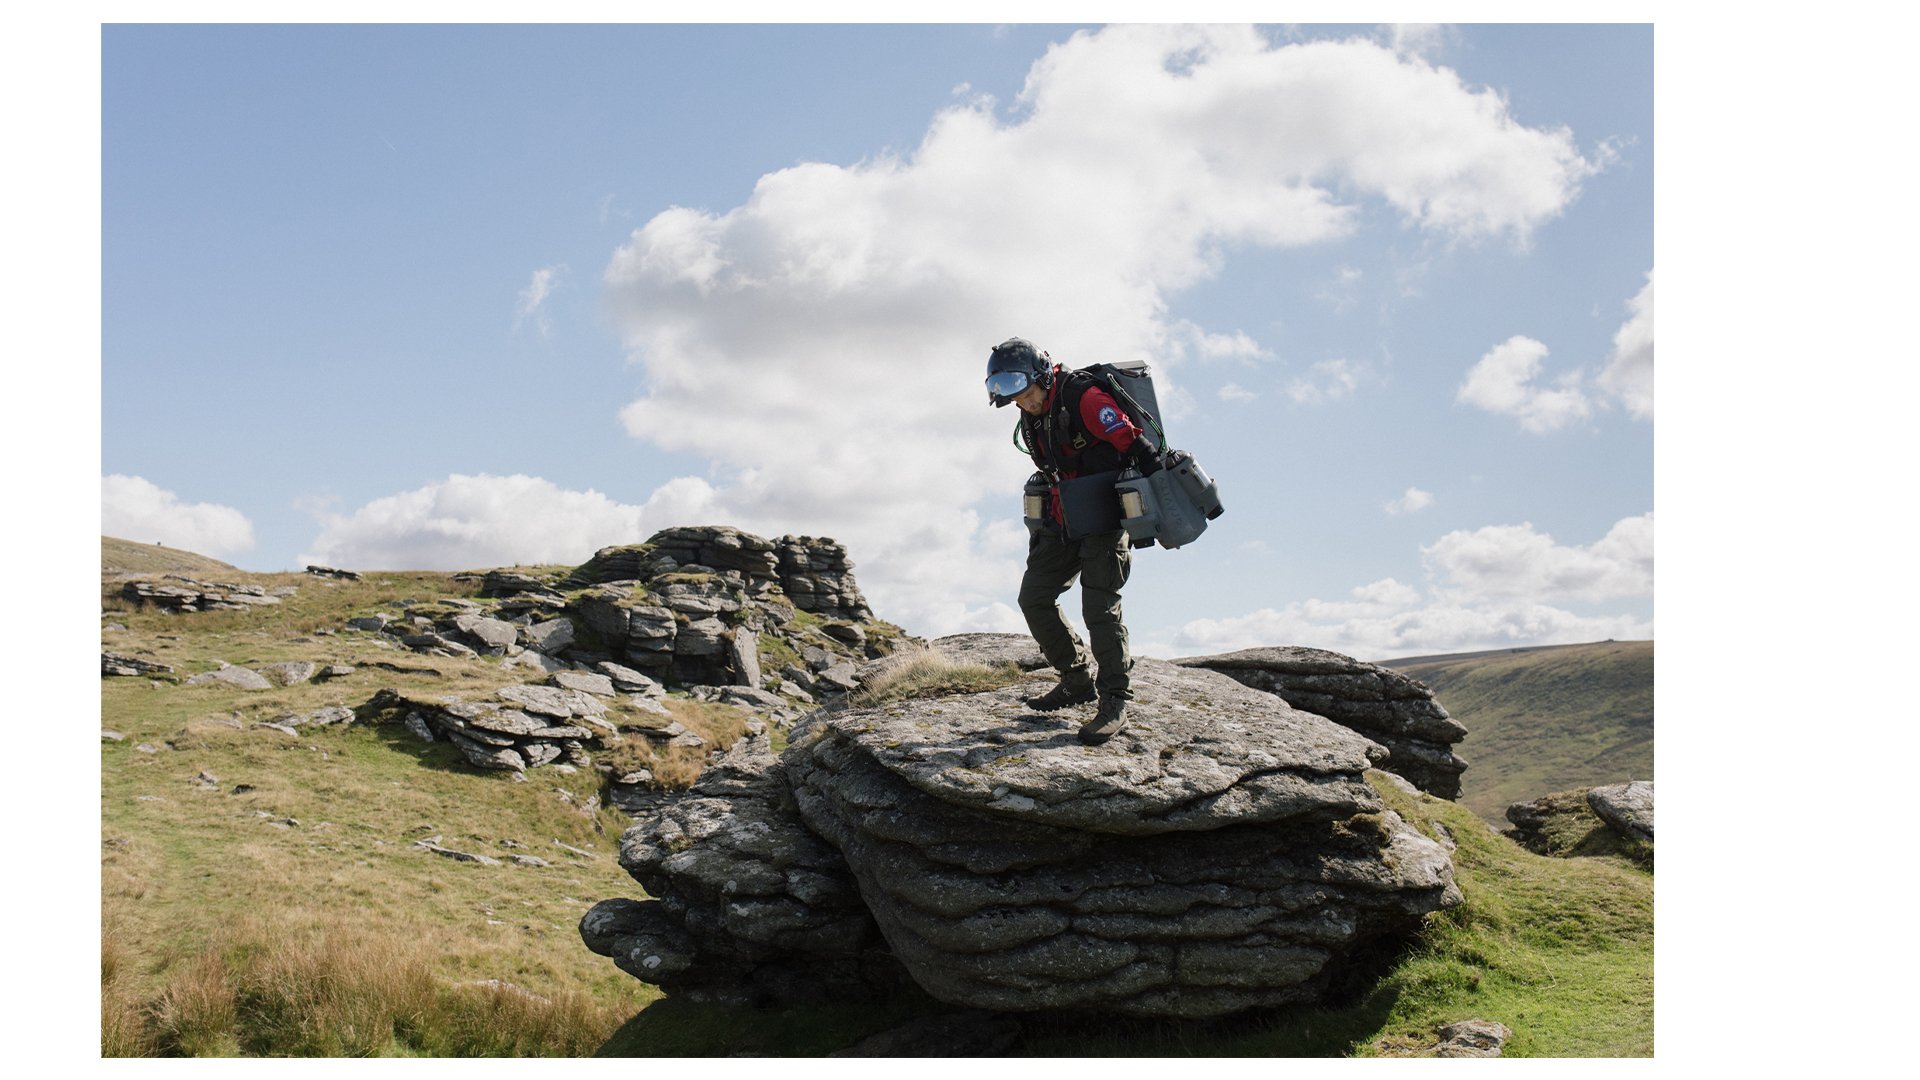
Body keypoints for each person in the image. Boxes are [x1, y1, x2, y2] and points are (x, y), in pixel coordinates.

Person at [985, 337, 1160, 745]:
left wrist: (1157, 505)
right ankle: (1076, 680)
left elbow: (1136, 445)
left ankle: (1115, 700)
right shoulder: (1031, 413)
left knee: (1099, 607)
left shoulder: (1084, 397)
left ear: (1042, 377)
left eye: (1025, 393)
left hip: (1103, 517)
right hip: (1062, 519)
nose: (1021, 404)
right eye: (1013, 398)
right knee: (1035, 597)